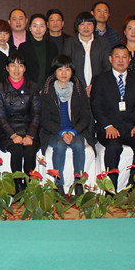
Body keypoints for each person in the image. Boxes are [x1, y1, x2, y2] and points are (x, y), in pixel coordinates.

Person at [91, 45, 135, 190]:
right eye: (117, 56)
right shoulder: (100, 79)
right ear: (110, 59)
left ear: (129, 60)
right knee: (114, 147)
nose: (120, 60)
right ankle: (111, 190)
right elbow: (96, 106)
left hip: (132, 127)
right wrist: (107, 126)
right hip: (109, 127)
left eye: (124, 57)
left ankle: (133, 188)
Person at [38, 55, 95, 196]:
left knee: (78, 145)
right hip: (54, 132)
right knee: (60, 145)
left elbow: (86, 116)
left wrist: (73, 132)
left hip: (75, 131)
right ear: (54, 72)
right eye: (60, 69)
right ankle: (59, 184)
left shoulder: (78, 90)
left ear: (72, 71)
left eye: (67, 69)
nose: (64, 73)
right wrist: (62, 133)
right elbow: (44, 119)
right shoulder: (47, 91)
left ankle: (78, 183)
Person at [0, 52, 41, 192]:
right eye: (12, 65)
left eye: (20, 65)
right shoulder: (0, 88)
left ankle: (30, 185)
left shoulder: (32, 87)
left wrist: (30, 135)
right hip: (8, 132)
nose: (16, 69)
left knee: (30, 151)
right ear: (7, 68)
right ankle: (17, 184)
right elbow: (0, 116)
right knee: (17, 149)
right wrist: (13, 135)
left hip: (28, 129)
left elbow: (36, 114)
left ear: (25, 68)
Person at [62, 11, 111, 96]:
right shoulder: (69, 43)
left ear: (94, 26)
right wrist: (79, 86)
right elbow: (65, 67)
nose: (86, 27)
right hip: (74, 89)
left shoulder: (103, 43)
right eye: (82, 24)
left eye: (89, 24)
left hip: (99, 88)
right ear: (77, 26)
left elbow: (107, 67)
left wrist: (94, 85)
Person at [18, 13, 57, 88]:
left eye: (41, 26)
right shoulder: (23, 47)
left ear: (46, 28)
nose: (38, 29)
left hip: (48, 88)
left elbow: (55, 69)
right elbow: (21, 70)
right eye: (35, 26)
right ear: (30, 28)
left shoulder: (52, 46)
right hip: (29, 88)